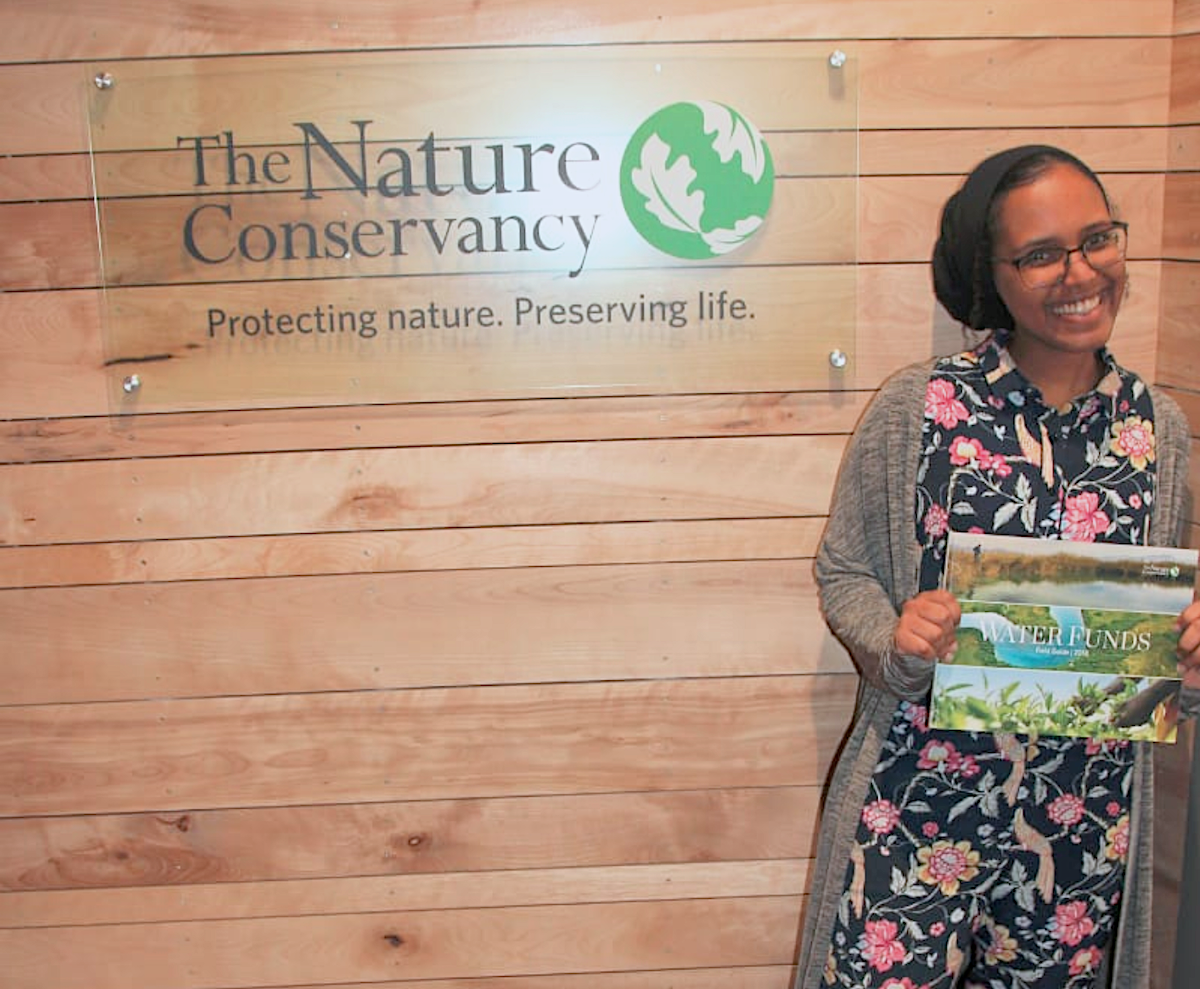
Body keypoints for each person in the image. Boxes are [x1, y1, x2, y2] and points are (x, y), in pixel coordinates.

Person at [794, 145, 1200, 989]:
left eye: (1097, 239)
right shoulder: (921, 407)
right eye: (1042, 254)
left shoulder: (1159, 430)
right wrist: (895, 637)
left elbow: (1169, 641)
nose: (1079, 272)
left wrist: (1190, 658)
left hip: (1081, 833)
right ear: (994, 274)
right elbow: (845, 571)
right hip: (915, 806)